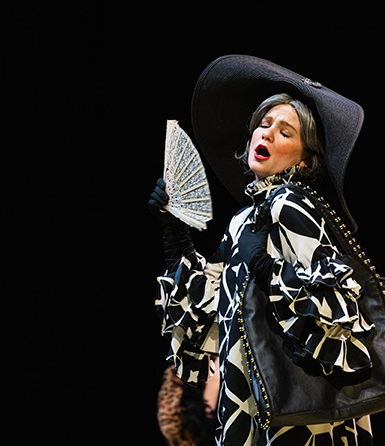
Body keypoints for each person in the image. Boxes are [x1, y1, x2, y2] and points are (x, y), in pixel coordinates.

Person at [150, 56, 373, 445]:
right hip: (250, 398)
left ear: (305, 160)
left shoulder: (289, 204)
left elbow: (335, 309)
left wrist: (265, 267)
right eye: (263, 125)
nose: (266, 135)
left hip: (297, 410)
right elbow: (215, 319)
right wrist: (176, 238)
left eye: (285, 132)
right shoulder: (244, 220)